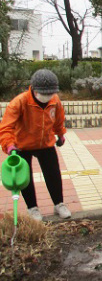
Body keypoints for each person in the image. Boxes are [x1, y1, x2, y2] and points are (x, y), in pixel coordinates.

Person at [0, 69, 71, 221]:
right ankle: (32, 208)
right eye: (44, 93)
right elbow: (6, 127)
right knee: (25, 178)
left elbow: (58, 119)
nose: (47, 96)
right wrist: (9, 145)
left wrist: (61, 134)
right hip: (22, 145)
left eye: (50, 93)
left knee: (53, 174)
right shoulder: (19, 102)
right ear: (34, 89)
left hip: (45, 142)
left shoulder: (54, 100)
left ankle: (59, 204)